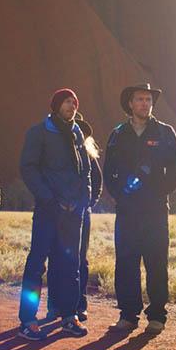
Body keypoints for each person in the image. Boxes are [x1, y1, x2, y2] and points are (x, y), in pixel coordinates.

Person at [104, 83, 176, 335]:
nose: (144, 104)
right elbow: (109, 170)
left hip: (155, 209)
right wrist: (119, 195)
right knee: (126, 261)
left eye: (148, 99)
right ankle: (128, 315)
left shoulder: (165, 132)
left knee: (156, 261)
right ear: (130, 103)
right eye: (139, 99)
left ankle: (157, 315)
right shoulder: (118, 134)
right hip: (127, 210)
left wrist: (162, 192)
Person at [17, 89, 92, 340]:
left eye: (74, 102)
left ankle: (69, 316)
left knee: (71, 265)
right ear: (56, 105)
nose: (72, 105)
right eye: (67, 102)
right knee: (37, 263)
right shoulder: (39, 132)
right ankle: (28, 320)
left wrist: (84, 199)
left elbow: (86, 170)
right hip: (49, 210)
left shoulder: (77, 132)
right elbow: (28, 168)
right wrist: (48, 198)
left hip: (73, 213)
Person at [74, 115, 103, 321]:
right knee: (59, 259)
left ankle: (80, 303)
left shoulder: (89, 156)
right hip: (60, 213)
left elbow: (98, 182)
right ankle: (56, 304)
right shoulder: (58, 154)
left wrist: (89, 203)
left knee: (80, 259)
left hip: (83, 213)